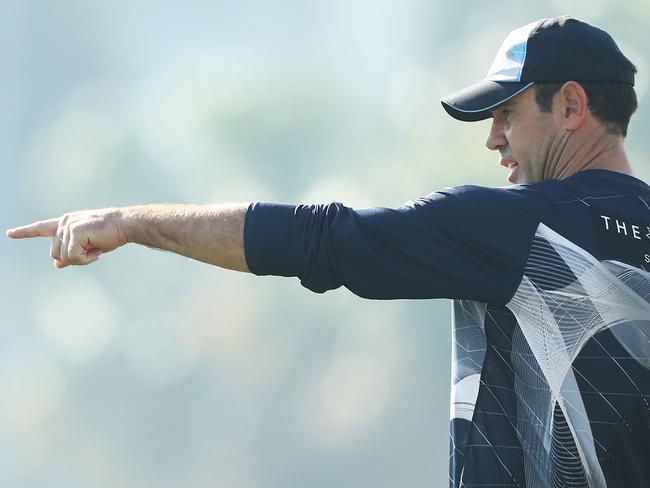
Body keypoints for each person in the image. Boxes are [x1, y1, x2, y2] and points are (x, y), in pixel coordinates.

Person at [7, 15, 650, 487]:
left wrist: (129, 222)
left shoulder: (514, 228)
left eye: (507, 114)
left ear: (570, 105)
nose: (493, 140)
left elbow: (319, 238)